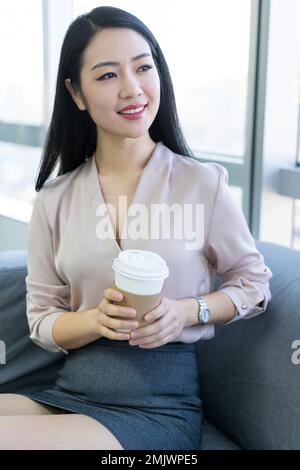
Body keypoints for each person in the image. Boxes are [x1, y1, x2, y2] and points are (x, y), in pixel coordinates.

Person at [0, 6, 272, 450]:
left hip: (157, 405)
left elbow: (254, 283)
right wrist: (94, 321)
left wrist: (187, 312)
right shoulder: (55, 200)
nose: (132, 88)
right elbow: (42, 322)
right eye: (107, 75)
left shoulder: (202, 184)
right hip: (72, 392)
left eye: (143, 67)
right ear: (77, 92)